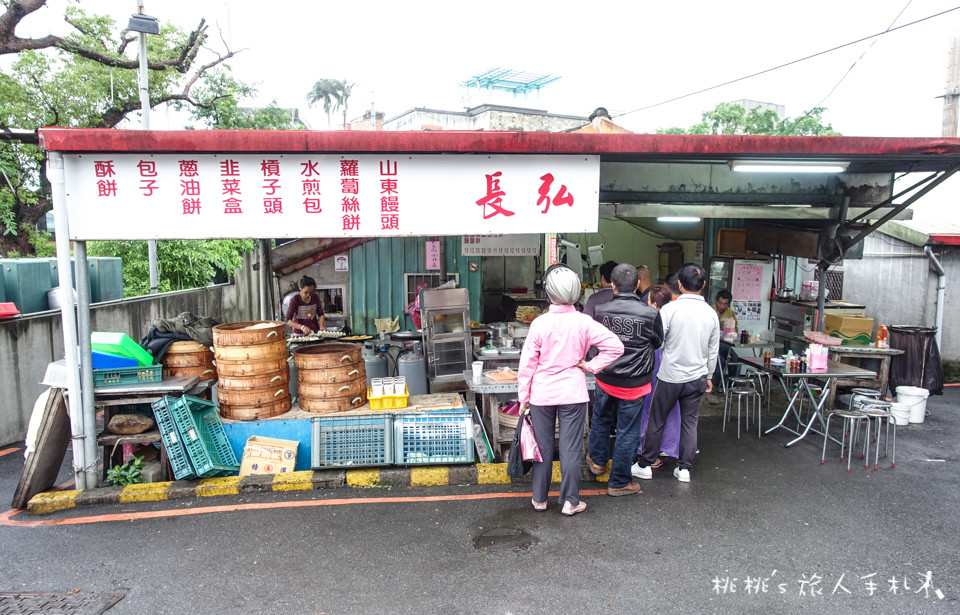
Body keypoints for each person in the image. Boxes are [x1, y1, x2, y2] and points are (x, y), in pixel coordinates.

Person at [518, 264, 624, 516]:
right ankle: (570, 501)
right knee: (570, 448)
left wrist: (523, 397)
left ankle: (539, 499)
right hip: (573, 394)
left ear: (548, 293)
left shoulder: (540, 324)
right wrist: (590, 365)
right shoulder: (584, 322)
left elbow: (527, 364)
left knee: (542, 448)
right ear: (576, 293)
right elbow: (616, 346)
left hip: (542, 394)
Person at [632, 263, 719, 484]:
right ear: (704, 285)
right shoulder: (711, 314)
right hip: (697, 377)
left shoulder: (670, 310)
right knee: (690, 422)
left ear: (679, 284)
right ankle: (684, 469)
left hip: (670, 376)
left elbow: (659, 343)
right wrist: (709, 376)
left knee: (657, 419)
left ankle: (645, 464)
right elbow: (713, 349)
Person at [585, 264, 663, 496]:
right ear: (637, 284)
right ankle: (619, 481)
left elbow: (592, 343)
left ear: (613, 284)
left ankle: (597, 461)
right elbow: (657, 342)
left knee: (600, 418)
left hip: (605, 377)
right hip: (635, 381)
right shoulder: (651, 314)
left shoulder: (599, 310)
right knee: (627, 430)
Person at [636, 284, 682, 469]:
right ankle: (666, 447)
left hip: (651, 365)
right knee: (668, 410)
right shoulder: (673, 314)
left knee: (648, 410)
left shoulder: (649, 316)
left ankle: (647, 452)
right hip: (669, 367)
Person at [713, 289, 740, 388]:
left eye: (725, 304)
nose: (722, 306)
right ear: (716, 301)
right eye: (720, 303)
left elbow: (736, 329)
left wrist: (729, 329)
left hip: (724, 344)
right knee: (719, 359)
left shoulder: (730, 313)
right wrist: (716, 325)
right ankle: (719, 384)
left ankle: (733, 383)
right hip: (712, 346)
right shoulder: (710, 311)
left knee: (734, 358)